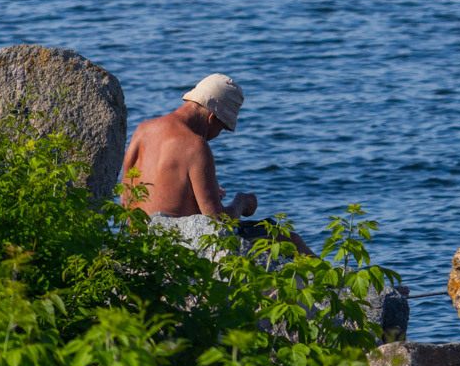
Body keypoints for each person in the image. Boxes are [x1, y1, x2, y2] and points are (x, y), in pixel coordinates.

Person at [120, 73, 316, 256]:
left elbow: (127, 196)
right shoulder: (195, 145)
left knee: (266, 225)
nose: (217, 136)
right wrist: (240, 203)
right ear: (212, 117)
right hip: (180, 249)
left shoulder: (143, 130)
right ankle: (340, 288)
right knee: (290, 240)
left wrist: (199, 195)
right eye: (222, 128)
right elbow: (217, 224)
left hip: (142, 242)